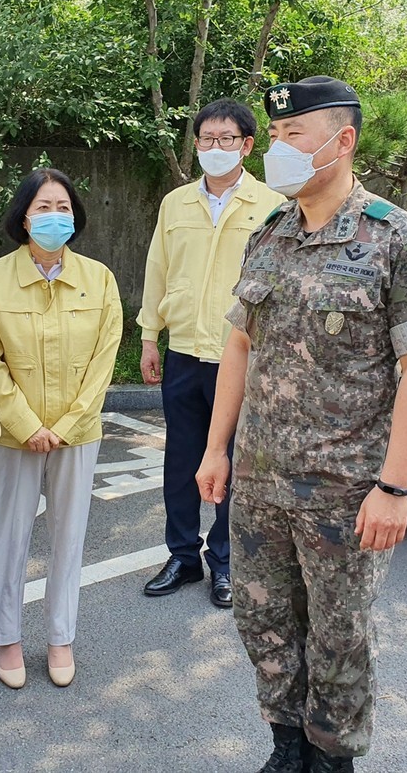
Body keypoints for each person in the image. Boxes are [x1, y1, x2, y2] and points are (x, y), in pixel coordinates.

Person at [195, 76, 407, 773]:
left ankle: (331, 758)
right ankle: (285, 747)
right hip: (258, 482)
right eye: (273, 137)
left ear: (343, 142)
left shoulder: (398, 237)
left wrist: (395, 488)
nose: (276, 149)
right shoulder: (268, 235)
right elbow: (239, 347)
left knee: (339, 640)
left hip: (345, 493)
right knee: (264, 623)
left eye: (293, 136)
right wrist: (217, 448)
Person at [0, 168, 123, 689]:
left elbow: (104, 362)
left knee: (69, 537)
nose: (55, 216)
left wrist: (64, 425)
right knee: (11, 536)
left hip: (76, 434)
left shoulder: (99, 279)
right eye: (44, 207)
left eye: (64, 207)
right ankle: (7, 637)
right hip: (15, 436)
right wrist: (24, 424)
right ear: (23, 216)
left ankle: (61, 636)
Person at [138, 98, 282, 608]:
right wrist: (149, 336)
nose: (215, 148)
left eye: (226, 140)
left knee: (234, 461)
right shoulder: (175, 204)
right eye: (206, 140)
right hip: (182, 350)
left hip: (239, 356)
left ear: (247, 146)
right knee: (180, 458)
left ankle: (225, 560)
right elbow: (159, 268)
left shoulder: (273, 205)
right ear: (195, 144)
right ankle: (182, 555)